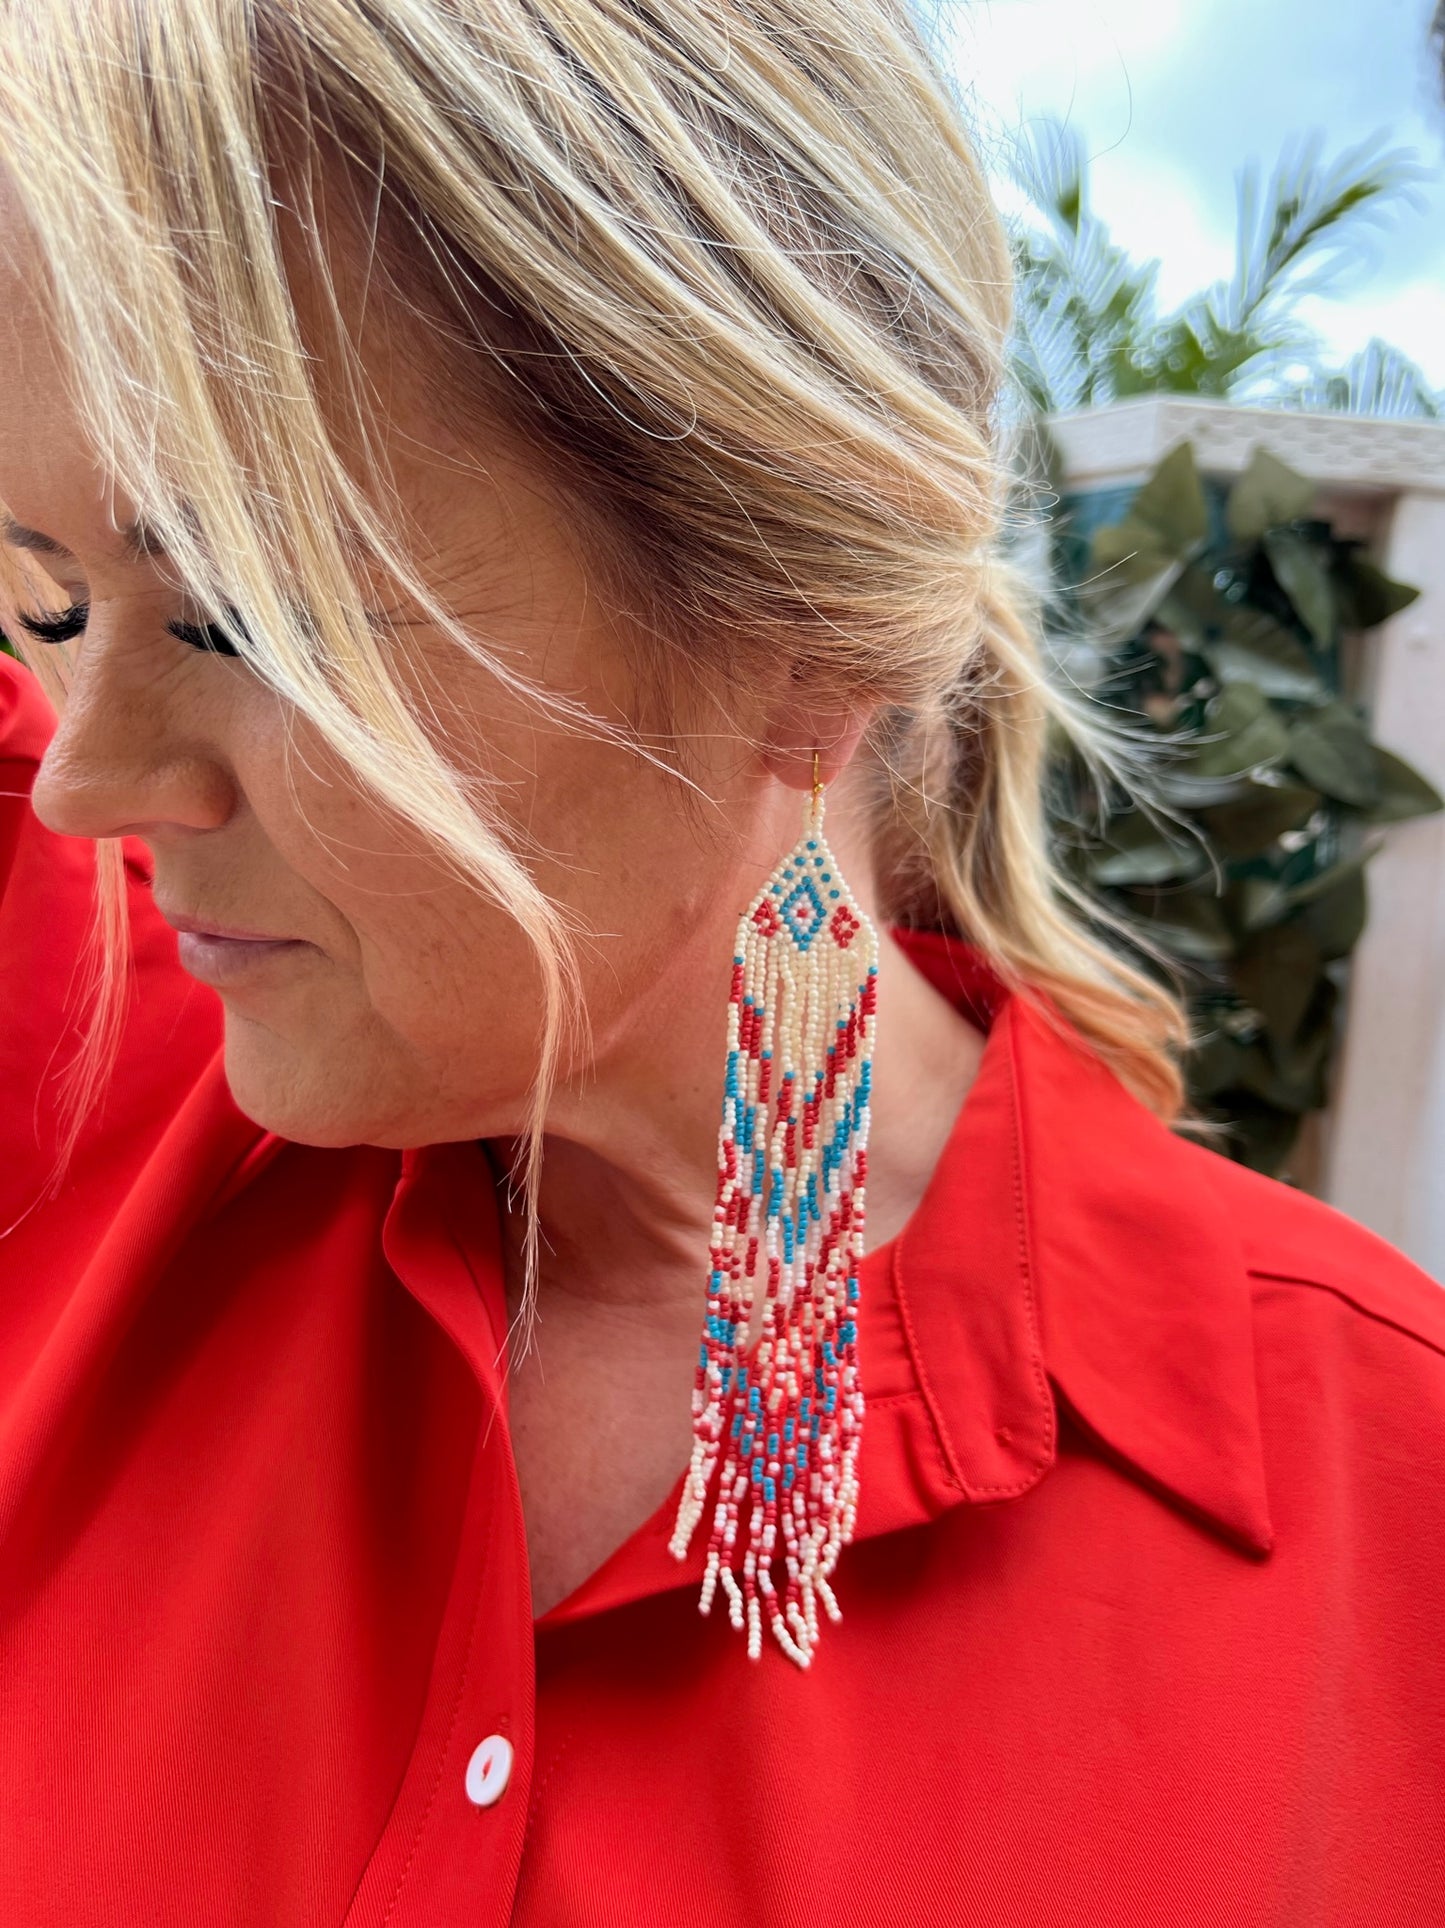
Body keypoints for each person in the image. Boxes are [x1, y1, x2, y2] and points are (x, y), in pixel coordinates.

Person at [0, 2, 1440, 1922]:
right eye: (44, 598)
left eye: (255, 617)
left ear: (802, 630)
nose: (88, 790)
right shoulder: (69, 1044)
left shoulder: (1372, 1531)